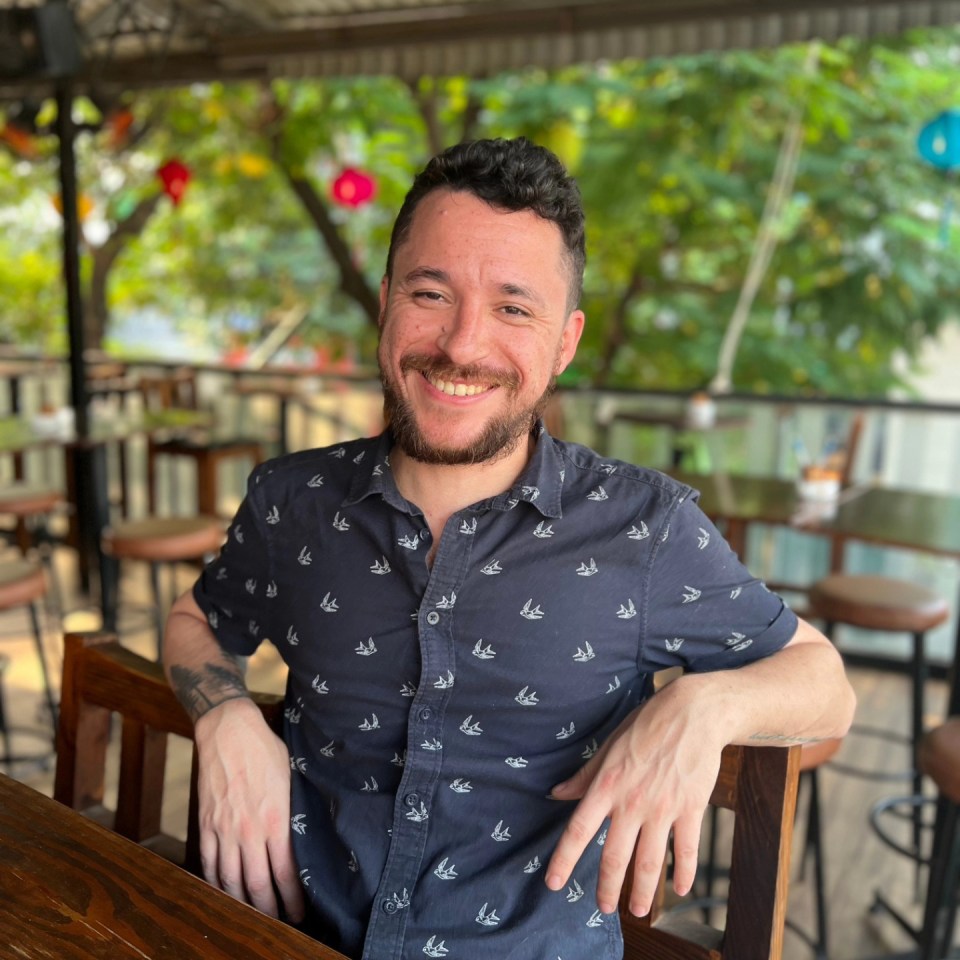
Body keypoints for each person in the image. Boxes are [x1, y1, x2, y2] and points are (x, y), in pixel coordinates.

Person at [163, 136, 855, 960]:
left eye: (513, 309)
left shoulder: (644, 526)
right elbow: (194, 618)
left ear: (564, 342)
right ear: (386, 302)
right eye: (431, 293)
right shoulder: (293, 502)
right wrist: (226, 717)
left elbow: (827, 685)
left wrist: (706, 706)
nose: (461, 345)